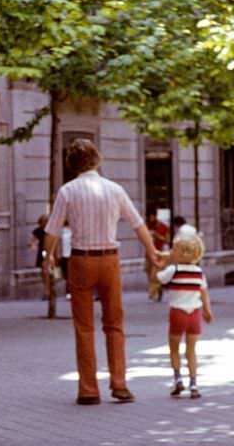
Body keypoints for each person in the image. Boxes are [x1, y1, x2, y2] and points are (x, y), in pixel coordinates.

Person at [44, 139, 162, 405]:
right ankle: (119, 385)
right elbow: (137, 223)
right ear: (97, 160)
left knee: (84, 328)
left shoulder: (67, 191)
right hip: (110, 261)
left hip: (81, 261)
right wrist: (152, 250)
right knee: (115, 324)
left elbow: (52, 229)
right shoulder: (115, 189)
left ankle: (88, 390)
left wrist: (48, 256)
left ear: (72, 165)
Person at [157, 229, 213, 399]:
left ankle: (177, 380)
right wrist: (207, 311)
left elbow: (159, 278)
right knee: (191, 350)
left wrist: (161, 263)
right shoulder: (199, 273)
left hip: (177, 313)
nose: (172, 252)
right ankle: (194, 384)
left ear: (181, 252)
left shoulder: (173, 269)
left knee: (174, 348)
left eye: (174, 250)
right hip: (194, 314)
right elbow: (204, 294)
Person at [145, 211, 170, 302]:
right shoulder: (146, 226)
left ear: (155, 217)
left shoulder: (164, 227)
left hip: (159, 253)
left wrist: (157, 235)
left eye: (152, 217)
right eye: (149, 217)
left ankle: (155, 294)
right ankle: (155, 291)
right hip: (148, 253)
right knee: (149, 273)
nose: (151, 219)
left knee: (155, 275)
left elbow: (167, 240)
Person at [29, 214, 49, 300]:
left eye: (46, 221)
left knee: (47, 271)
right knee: (43, 271)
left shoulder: (49, 230)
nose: (44, 223)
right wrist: (32, 245)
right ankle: (46, 290)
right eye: (43, 221)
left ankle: (48, 290)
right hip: (42, 251)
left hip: (48, 251)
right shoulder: (38, 230)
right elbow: (32, 240)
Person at [60, 221, 72, 300]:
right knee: (67, 276)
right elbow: (58, 242)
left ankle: (72, 292)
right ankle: (68, 292)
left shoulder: (75, 229)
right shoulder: (61, 231)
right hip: (64, 256)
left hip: (74, 255)